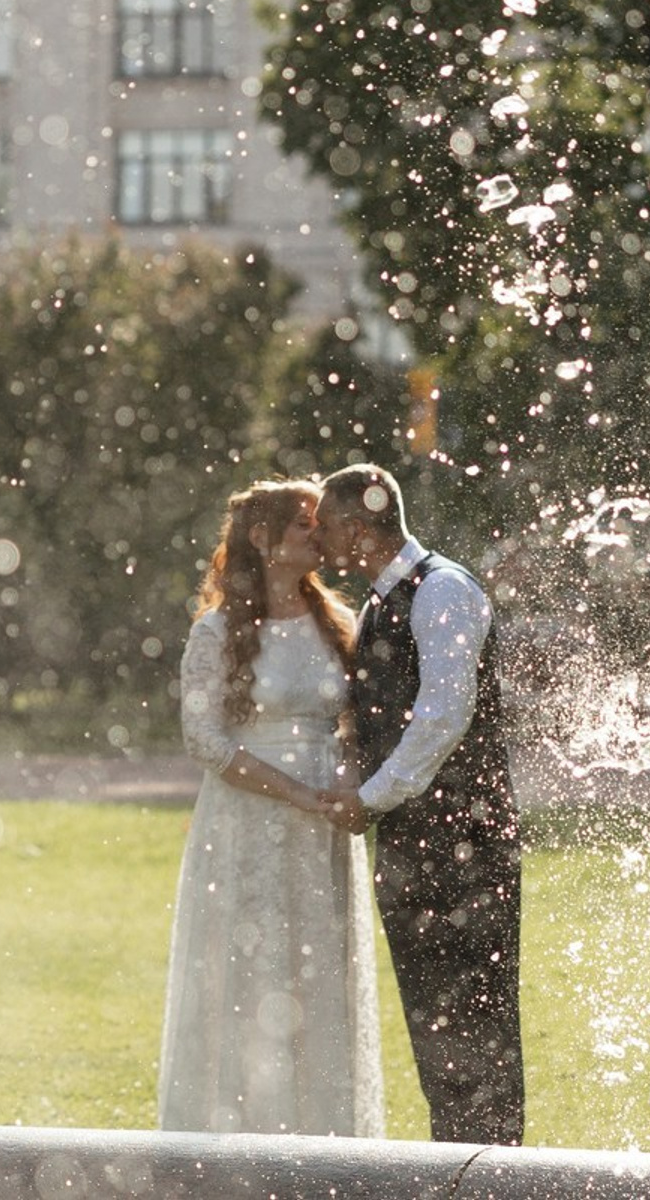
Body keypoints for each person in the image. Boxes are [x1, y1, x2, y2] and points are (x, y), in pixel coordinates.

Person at [159, 478, 384, 1137]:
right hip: (247, 823)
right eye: (304, 523)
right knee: (249, 972)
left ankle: (319, 1139)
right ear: (261, 538)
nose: (320, 533)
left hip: (323, 827)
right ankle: (238, 1137)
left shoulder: (336, 622)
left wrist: (347, 781)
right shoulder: (217, 632)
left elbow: (354, 720)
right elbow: (204, 740)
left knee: (315, 974)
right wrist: (295, 793)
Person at [315, 463, 524, 1146]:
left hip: (468, 842)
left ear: (357, 528)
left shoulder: (443, 590)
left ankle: (495, 1174)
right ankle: (455, 1164)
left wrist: (368, 799)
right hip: (414, 845)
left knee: (481, 1025)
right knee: (435, 1024)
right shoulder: (377, 604)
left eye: (326, 526)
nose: (319, 539)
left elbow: (443, 717)